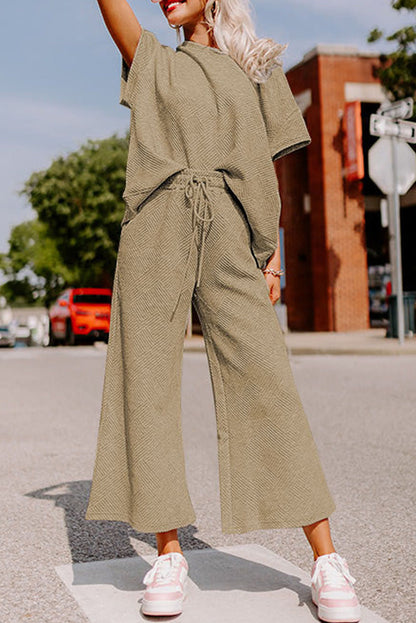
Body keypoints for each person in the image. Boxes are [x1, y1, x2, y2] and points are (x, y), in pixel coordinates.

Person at [85, 1, 361, 621]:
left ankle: (325, 557)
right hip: (156, 221)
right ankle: (168, 550)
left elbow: (268, 169)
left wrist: (270, 254)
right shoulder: (154, 60)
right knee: (146, 381)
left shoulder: (258, 67)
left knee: (268, 384)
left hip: (233, 230)